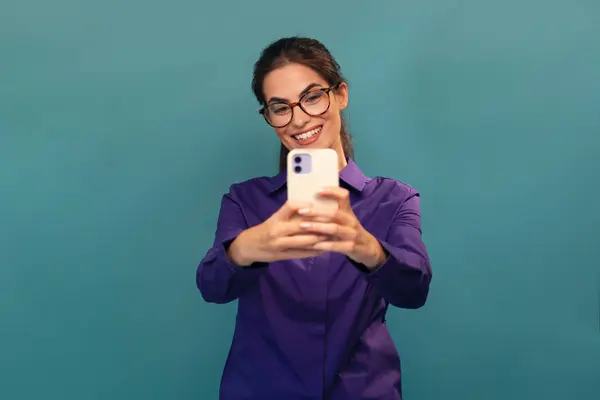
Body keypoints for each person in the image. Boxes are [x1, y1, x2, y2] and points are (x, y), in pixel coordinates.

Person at [196, 36, 432, 400]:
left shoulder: (395, 199)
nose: (299, 118)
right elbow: (211, 287)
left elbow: (414, 291)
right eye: (280, 107)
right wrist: (245, 249)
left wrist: (367, 248)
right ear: (269, 117)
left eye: (312, 97)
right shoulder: (245, 201)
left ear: (340, 95)